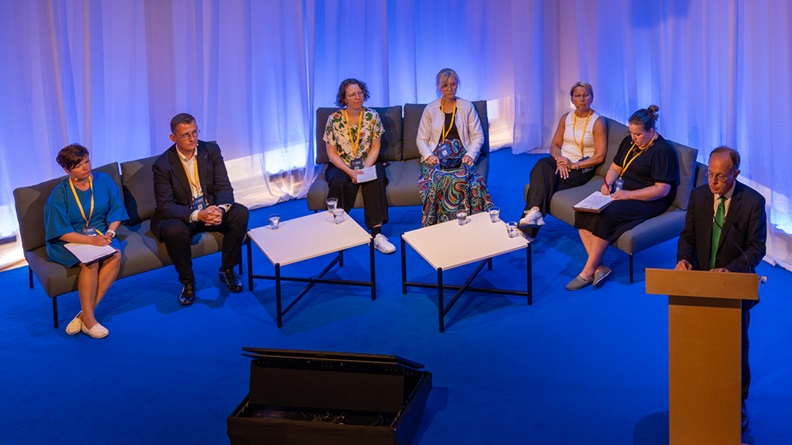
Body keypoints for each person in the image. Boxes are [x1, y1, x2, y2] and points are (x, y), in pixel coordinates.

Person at [675, 146, 766, 431]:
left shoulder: (752, 202)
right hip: (699, 285)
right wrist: (683, 259)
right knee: (700, 345)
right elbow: (688, 235)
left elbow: (756, 248)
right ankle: (701, 395)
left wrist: (733, 270)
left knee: (735, 349)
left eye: (720, 177)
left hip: (734, 288)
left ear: (735, 174)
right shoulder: (699, 195)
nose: (713, 182)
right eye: (710, 175)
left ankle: (737, 402)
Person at [568, 105, 679, 290]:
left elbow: (662, 190)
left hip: (649, 199)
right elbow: (616, 167)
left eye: (638, 134)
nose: (633, 138)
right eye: (631, 133)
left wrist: (629, 195)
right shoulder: (629, 142)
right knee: (583, 213)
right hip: (622, 192)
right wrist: (607, 183)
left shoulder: (662, 151)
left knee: (606, 216)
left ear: (651, 131)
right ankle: (600, 266)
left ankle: (587, 270)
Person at [152, 113, 249, 305]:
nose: (192, 138)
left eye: (195, 132)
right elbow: (166, 206)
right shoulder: (162, 165)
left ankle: (227, 269)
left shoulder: (211, 150)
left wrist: (220, 210)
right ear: (173, 138)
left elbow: (223, 186)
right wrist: (198, 215)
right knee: (173, 230)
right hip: (185, 215)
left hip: (210, 209)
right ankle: (188, 282)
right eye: (186, 135)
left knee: (240, 213)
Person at [44, 144, 128, 338]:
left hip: (100, 233)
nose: (86, 167)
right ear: (67, 170)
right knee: (89, 263)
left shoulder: (104, 180)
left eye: (87, 161)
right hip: (69, 239)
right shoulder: (59, 194)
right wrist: (91, 242)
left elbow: (116, 211)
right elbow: (60, 232)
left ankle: (83, 316)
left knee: (115, 255)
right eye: (79, 165)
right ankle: (90, 322)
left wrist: (109, 234)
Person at [519, 81, 607, 238]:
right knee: (541, 164)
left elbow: (600, 156)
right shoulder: (566, 117)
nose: (582, 99)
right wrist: (560, 159)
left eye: (586, 95)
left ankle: (527, 231)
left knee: (543, 183)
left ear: (592, 98)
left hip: (582, 167)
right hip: (562, 161)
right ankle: (534, 213)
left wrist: (574, 165)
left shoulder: (598, 121)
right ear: (572, 99)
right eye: (578, 96)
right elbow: (555, 145)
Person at [323, 78, 395, 254]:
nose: (357, 97)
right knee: (339, 182)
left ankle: (377, 235)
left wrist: (363, 170)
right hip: (342, 165)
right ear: (344, 98)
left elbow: (375, 148)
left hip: (367, 162)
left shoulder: (372, 117)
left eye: (360, 93)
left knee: (375, 179)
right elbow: (331, 153)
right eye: (352, 94)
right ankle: (338, 231)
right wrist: (349, 171)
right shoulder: (334, 119)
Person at [416, 68, 492, 226]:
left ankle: (470, 224)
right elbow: (421, 139)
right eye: (445, 86)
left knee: (472, 182)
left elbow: (478, 135)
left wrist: (470, 155)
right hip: (436, 156)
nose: (449, 89)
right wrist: (429, 155)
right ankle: (443, 226)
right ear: (438, 87)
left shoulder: (467, 106)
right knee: (438, 181)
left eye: (453, 84)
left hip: (462, 154)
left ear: (457, 85)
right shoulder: (430, 109)